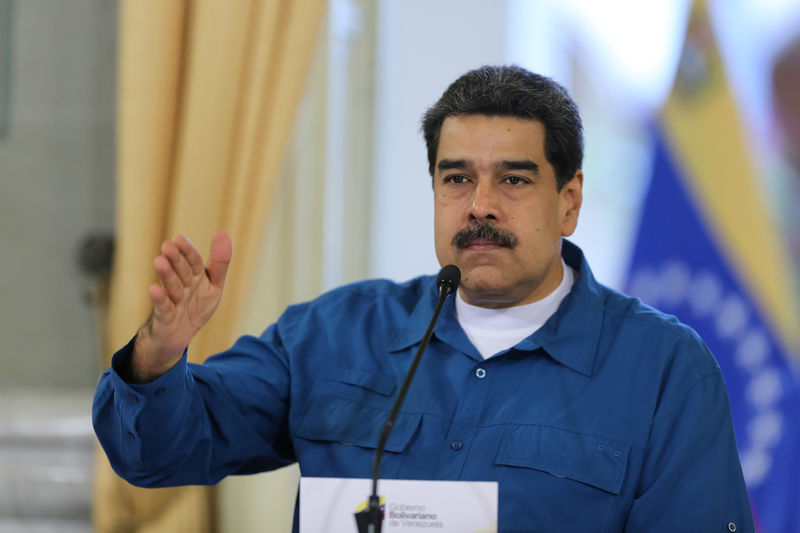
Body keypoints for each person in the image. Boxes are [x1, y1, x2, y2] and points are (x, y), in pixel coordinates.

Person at [93, 65, 754, 532]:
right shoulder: (332, 333)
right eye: (456, 177)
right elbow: (157, 454)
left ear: (570, 201)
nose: (481, 205)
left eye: (514, 180)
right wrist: (159, 352)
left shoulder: (665, 369)